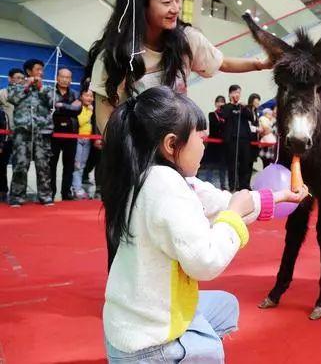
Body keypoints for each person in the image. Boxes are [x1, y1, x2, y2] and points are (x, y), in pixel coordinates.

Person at [101, 86, 307, 362]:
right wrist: (233, 217)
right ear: (172, 144)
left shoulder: (151, 175)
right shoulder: (165, 186)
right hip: (148, 346)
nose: (204, 145)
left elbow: (222, 202)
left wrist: (281, 197)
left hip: (130, 322)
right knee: (211, 351)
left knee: (225, 305)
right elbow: (206, 260)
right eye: (200, 138)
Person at [88, 0, 271, 135]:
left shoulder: (187, 40)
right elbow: (106, 124)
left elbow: (223, 63)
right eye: (166, 2)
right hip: (134, 153)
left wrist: (260, 64)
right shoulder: (113, 57)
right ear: (140, 5)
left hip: (176, 148)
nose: (176, 8)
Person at [8, 59, 54, 207]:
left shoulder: (46, 88)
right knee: (20, 165)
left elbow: (54, 102)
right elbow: (12, 99)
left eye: (42, 69)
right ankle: (17, 197)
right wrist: (26, 85)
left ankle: (45, 196)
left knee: (43, 165)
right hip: (23, 133)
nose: (41, 72)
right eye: (38, 69)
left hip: (42, 132)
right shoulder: (17, 87)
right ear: (29, 71)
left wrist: (40, 88)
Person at [50, 68, 81, 201]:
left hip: (71, 134)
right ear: (57, 77)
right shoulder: (50, 92)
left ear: (71, 79)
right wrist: (69, 107)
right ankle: (50, 193)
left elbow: (77, 110)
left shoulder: (75, 93)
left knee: (69, 165)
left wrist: (61, 105)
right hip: (53, 133)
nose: (65, 79)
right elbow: (50, 108)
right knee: (51, 165)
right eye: (62, 76)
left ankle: (66, 193)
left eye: (68, 77)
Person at [221, 85, 253, 191]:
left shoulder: (243, 107)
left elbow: (251, 117)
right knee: (233, 164)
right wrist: (233, 104)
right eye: (235, 92)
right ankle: (233, 186)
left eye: (239, 92)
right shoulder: (226, 107)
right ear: (230, 94)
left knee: (245, 164)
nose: (237, 95)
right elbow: (224, 115)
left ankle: (244, 186)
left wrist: (244, 107)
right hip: (232, 140)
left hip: (244, 140)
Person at [0, 68, 25, 202]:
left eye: (22, 78)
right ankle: (3, 190)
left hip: (22, 137)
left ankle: (17, 193)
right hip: (6, 136)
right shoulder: (2, 93)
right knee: (1, 164)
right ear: (10, 79)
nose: (20, 80)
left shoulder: (27, 94)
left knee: (19, 166)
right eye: (17, 78)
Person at [199, 95, 227, 190]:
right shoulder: (212, 114)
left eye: (222, 102)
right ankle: (207, 185)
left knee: (222, 166)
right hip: (213, 144)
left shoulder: (226, 115)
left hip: (223, 145)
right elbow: (215, 126)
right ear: (215, 104)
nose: (220, 104)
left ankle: (223, 186)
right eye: (218, 102)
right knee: (210, 165)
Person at [71, 88, 94, 199]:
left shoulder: (92, 108)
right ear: (81, 96)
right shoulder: (78, 106)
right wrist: (89, 112)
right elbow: (80, 122)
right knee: (77, 165)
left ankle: (77, 187)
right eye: (86, 95)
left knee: (82, 165)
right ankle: (77, 189)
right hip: (78, 139)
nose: (89, 98)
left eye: (91, 96)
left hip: (88, 139)